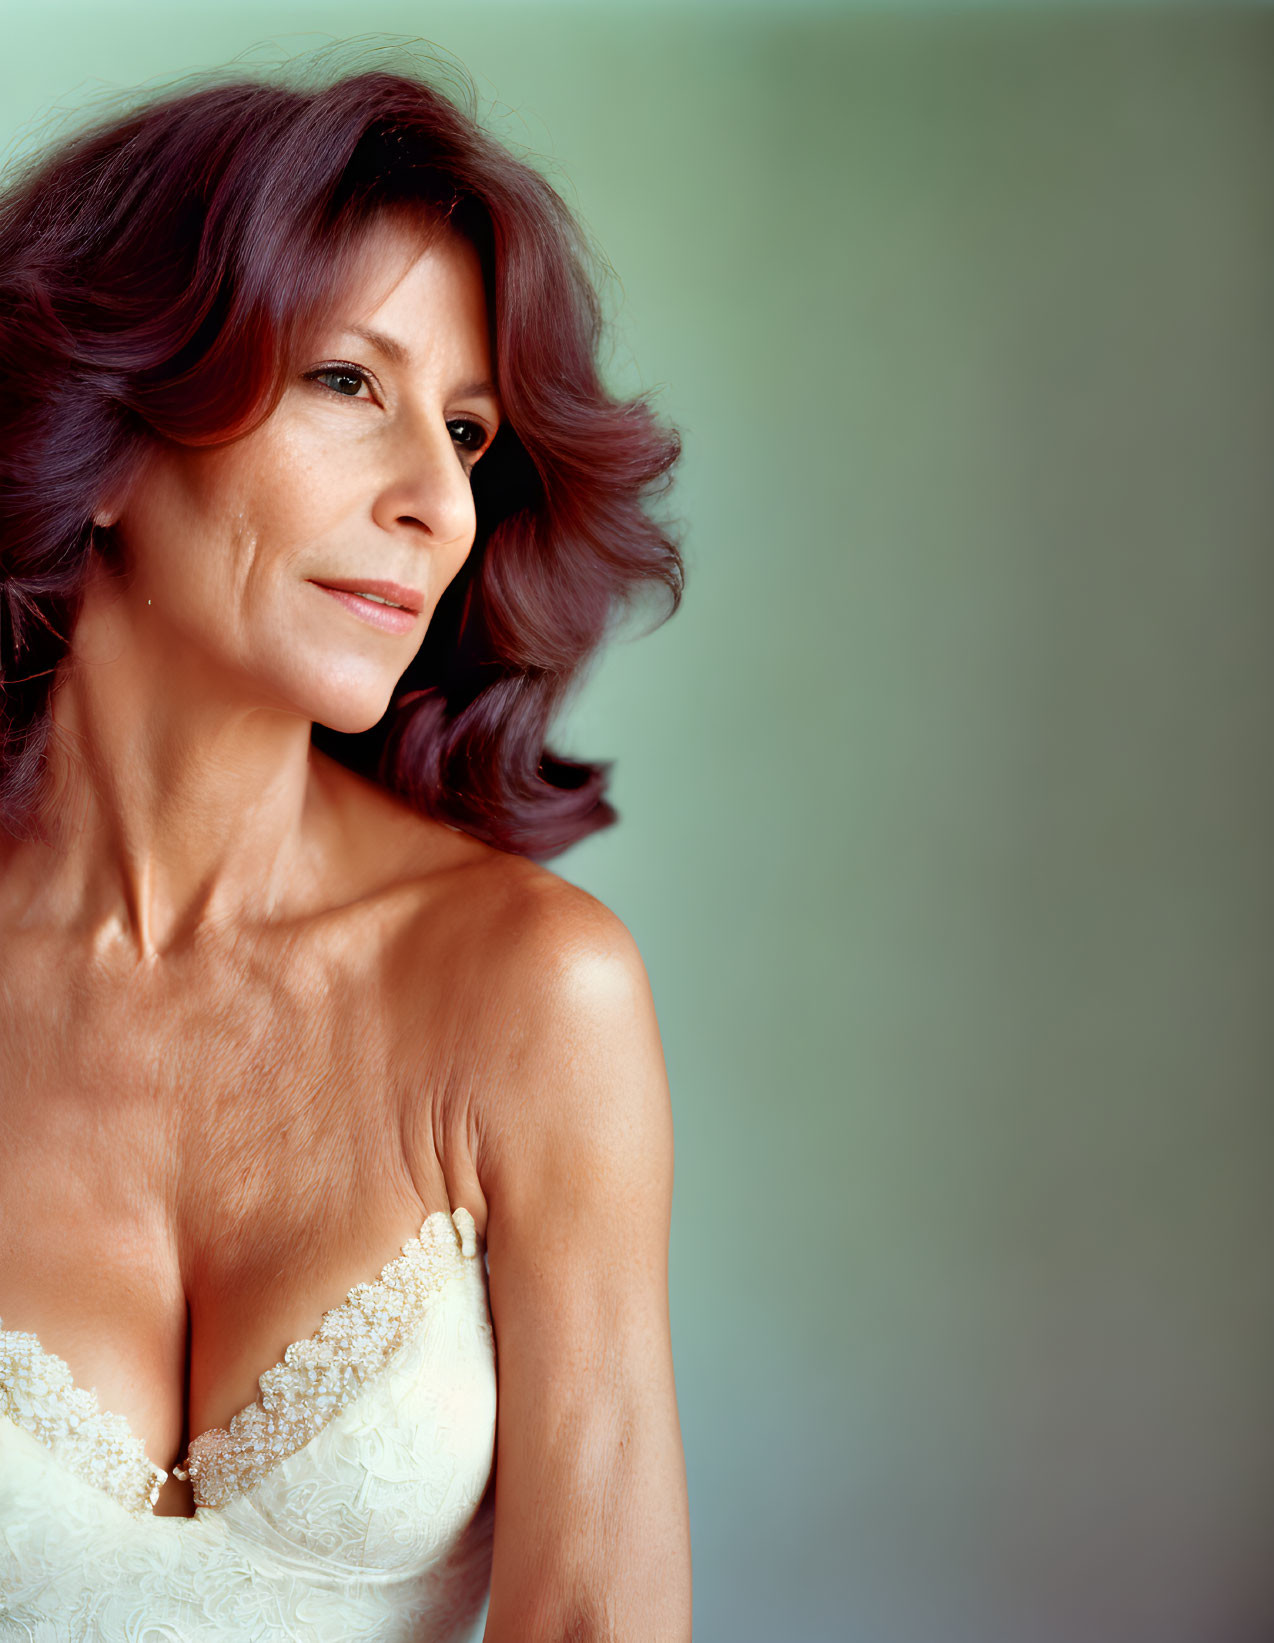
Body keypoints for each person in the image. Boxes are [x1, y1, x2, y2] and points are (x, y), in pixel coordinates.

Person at [0, 54, 691, 1643]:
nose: (435, 500)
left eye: (463, 430)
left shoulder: (532, 992)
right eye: (347, 384)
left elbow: (596, 1620)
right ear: (106, 436)